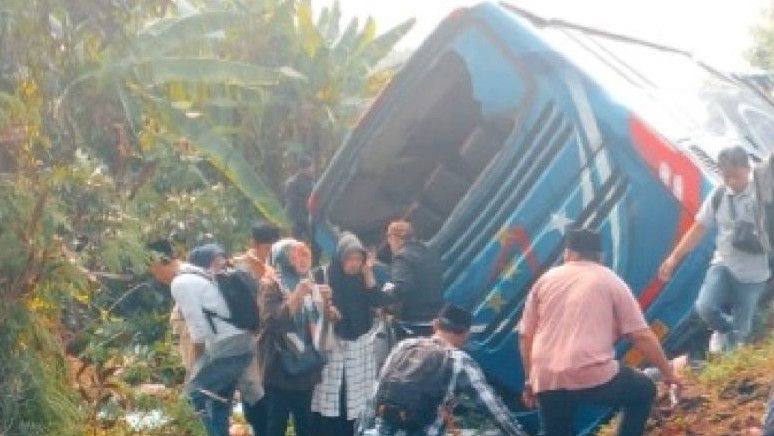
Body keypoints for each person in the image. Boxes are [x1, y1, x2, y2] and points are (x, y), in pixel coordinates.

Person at [519, 228, 679, 436]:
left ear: (568, 253)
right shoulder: (610, 280)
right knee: (643, 391)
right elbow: (640, 335)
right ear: (600, 256)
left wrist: (530, 379)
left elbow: (525, 336)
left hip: (546, 376)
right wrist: (669, 374)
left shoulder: (544, 281)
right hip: (591, 371)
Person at [659, 146, 769, 352]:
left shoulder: (763, 189)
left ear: (747, 168)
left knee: (743, 329)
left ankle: (737, 355)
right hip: (724, 264)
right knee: (705, 307)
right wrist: (674, 258)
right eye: (727, 177)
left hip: (756, 268)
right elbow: (699, 227)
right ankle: (726, 333)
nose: (732, 182)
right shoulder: (718, 195)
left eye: (736, 176)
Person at [361, 304, 526, 436]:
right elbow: (493, 408)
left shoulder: (405, 346)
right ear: (465, 334)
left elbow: (377, 391)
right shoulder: (459, 361)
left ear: (434, 325)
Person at [170, 243, 257, 436]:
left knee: (196, 396)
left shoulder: (182, 282)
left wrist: (196, 366)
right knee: (218, 401)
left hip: (227, 346)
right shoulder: (207, 279)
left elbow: (199, 330)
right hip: (243, 342)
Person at [311, 233, 391, 436]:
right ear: (340, 257)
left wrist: (368, 275)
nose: (354, 264)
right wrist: (329, 311)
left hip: (359, 347)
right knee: (333, 396)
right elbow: (315, 307)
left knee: (355, 397)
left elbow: (379, 301)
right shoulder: (324, 275)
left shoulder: (362, 278)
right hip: (334, 346)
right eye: (349, 259)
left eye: (358, 259)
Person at [258, 239, 339, 436]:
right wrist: (297, 295)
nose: (302, 260)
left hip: (306, 367)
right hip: (280, 369)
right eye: (296, 255)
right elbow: (272, 323)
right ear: (283, 259)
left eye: (305, 254)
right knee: (276, 425)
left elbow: (327, 322)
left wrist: (327, 305)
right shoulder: (272, 285)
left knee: (306, 424)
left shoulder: (312, 281)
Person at [231, 221, 280, 436]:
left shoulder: (277, 265)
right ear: (254, 244)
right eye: (267, 248)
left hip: (273, 341)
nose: (270, 253)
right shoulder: (242, 268)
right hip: (250, 339)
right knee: (254, 391)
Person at [383, 219, 444, 339]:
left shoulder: (402, 257)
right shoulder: (428, 253)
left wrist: (384, 301)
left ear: (396, 237)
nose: (389, 242)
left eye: (389, 238)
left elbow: (402, 286)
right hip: (435, 317)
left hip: (413, 320)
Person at [284, 155, 315, 241]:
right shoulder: (293, 183)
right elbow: (291, 207)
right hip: (298, 223)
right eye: (311, 167)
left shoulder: (311, 182)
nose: (312, 169)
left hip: (309, 221)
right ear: (305, 168)